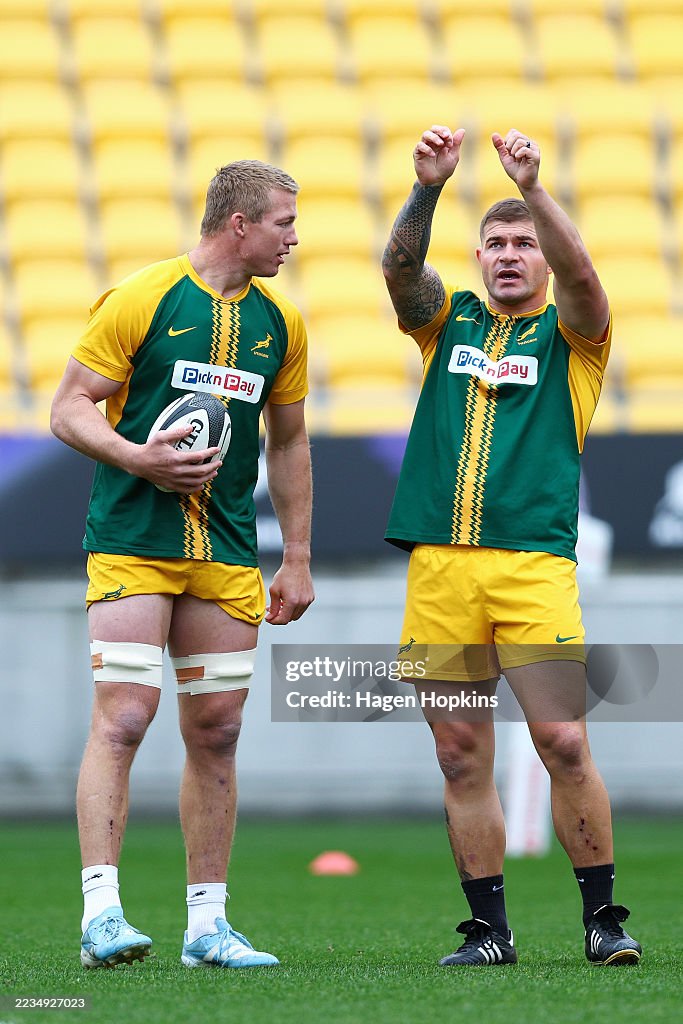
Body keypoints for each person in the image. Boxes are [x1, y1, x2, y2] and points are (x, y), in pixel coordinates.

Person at [382, 127, 641, 967]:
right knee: (459, 754)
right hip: (439, 569)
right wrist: (426, 190)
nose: (505, 256)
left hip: (532, 565)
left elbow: (585, 278)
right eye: (492, 243)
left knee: (562, 741)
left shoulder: (574, 339)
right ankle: (488, 931)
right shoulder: (446, 321)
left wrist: (530, 191)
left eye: (521, 244)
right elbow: (397, 271)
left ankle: (602, 918)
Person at [51, 160, 314, 970]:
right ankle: (102, 916)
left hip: (228, 554)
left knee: (218, 731)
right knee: (124, 719)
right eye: (282, 223)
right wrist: (139, 458)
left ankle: (208, 927)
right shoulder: (142, 297)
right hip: (134, 541)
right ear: (238, 223)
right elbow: (66, 408)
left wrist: (296, 556)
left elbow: (290, 440)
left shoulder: (283, 323)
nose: (293, 238)